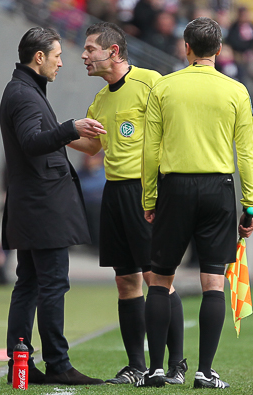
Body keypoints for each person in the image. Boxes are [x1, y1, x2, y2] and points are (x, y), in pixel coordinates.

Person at [138, 17, 253, 388]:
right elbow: (246, 153)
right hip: (218, 189)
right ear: (220, 50)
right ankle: (205, 372)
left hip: (174, 187)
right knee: (213, 282)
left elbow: (150, 149)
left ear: (185, 47)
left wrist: (149, 196)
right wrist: (250, 204)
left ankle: (156, 369)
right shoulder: (236, 91)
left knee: (159, 279)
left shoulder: (165, 87)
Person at [70, 22, 186, 385]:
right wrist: (59, 132)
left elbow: (175, 128)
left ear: (114, 51)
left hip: (146, 191)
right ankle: (136, 366)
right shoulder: (101, 99)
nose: (84, 55)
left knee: (158, 278)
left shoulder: (152, 82)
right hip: (114, 193)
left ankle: (176, 364)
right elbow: (93, 147)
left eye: (90, 49)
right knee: (125, 283)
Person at [0, 26, 106, 385]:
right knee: (50, 285)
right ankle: (58, 363)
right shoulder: (25, 94)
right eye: (57, 56)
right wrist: (70, 128)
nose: (62, 62)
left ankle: (21, 365)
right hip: (42, 209)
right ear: (39, 57)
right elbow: (32, 142)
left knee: (28, 284)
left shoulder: (23, 90)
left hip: (33, 207)